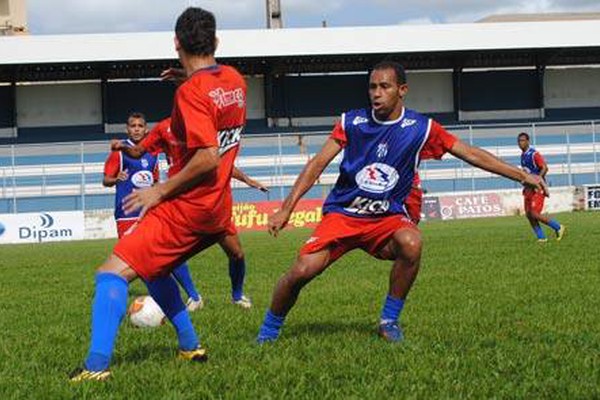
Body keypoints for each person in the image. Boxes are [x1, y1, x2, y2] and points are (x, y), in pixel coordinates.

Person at [256, 61, 546, 344]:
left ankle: (388, 322)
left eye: (384, 86)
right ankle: (268, 331)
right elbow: (317, 164)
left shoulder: (420, 128)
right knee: (302, 271)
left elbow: (469, 153)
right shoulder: (352, 121)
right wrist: (286, 208)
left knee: (411, 242)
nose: (376, 93)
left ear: (402, 90)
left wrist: (521, 175)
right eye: (372, 87)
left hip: (387, 219)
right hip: (344, 215)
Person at [70, 7, 246, 381]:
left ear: (176, 43)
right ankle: (189, 345)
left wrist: (159, 190)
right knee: (155, 270)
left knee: (110, 274)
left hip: (187, 209)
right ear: (215, 42)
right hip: (218, 211)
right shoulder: (235, 80)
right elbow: (213, 97)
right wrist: (188, 76)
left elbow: (207, 157)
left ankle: (95, 367)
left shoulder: (189, 93)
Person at [112, 117, 269, 308]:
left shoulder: (203, 125)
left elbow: (217, 161)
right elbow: (137, 151)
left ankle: (237, 296)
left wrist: (247, 179)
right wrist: (122, 147)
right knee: (171, 255)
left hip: (213, 203)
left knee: (236, 254)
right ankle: (194, 297)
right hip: (183, 201)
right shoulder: (163, 128)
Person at [103, 113, 204, 312]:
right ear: (127, 129)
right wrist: (117, 179)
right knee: (133, 257)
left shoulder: (152, 153)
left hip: (150, 210)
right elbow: (105, 179)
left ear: (146, 129)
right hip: (127, 212)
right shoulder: (119, 152)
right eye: (133, 126)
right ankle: (120, 295)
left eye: (141, 125)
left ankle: (193, 296)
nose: (137, 129)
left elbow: (154, 180)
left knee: (168, 253)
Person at [518, 132, 565, 242]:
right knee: (529, 214)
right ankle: (541, 237)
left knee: (534, 213)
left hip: (537, 188)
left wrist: (538, 179)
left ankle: (558, 227)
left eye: (523, 140)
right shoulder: (523, 155)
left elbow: (544, 167)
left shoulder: (534, 154)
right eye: (519, 141)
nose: (521, 143)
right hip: (528, 188)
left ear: (528, 141)